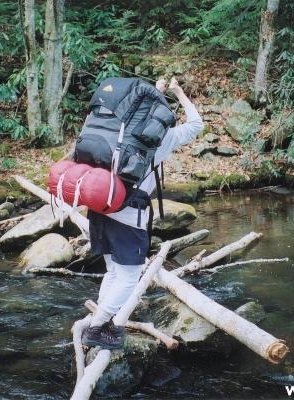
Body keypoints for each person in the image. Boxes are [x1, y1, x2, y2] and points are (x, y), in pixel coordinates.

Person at [82, 77, 204, 349]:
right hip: (126, 211)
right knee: (129, 275)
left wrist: (157, 90)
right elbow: (197, 125)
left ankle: (103, 319)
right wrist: (179, 92)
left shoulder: (117, 129)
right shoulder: (162, 137)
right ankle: (97, 327)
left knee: (113, 270)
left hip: (99, 203)